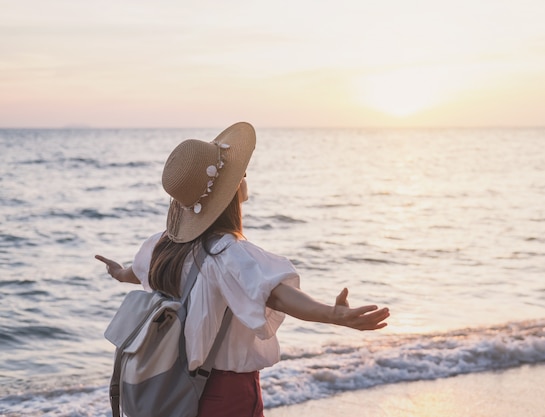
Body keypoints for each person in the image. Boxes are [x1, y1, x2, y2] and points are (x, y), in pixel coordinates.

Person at [95, 122, 390, 417]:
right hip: (225, 397)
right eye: (240, 174)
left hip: (172, 390)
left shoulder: (163, 246)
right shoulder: (227, 254)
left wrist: (120, 273)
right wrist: (332, 314)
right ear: (229, 191)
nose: (245, 176)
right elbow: (276, 295)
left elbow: (138, 271)